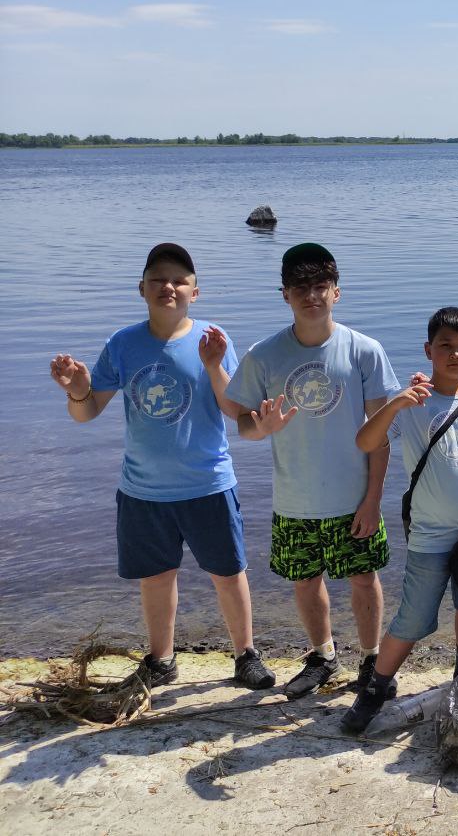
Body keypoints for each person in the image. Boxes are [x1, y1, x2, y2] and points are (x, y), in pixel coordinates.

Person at [48, 243, 274, 689]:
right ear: (142, 289)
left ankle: (246, 655)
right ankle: (161, 660)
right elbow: (87, 412)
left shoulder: (213, 338)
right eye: (158, 279)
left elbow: (234, 410)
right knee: (155, 578)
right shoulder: (122, 343)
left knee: (229, 573)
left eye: (179, 281)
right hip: (143, 489)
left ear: (195, 291)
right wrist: (76, 389)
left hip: (208, 483)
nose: (168, 287)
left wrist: (214, 365)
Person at [224, 243, 399, 700]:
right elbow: (243, 424)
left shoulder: (364, 350)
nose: (311, 295)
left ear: (336, 291)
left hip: (354, 496)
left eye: (321, 285)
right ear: (285, 294)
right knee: (305, 581)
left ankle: (371, 660)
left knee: (364, 578)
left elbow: (380, 434)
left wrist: (373, 499)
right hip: (294, 499)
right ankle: (323, 655)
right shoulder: (264, 355)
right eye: (300, 287)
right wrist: (261, 428)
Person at [341, 307, 458, 733]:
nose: (455, 354)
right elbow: (366, 442)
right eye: (444, 346)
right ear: (428, 350)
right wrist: (397, 402)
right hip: (429, 534)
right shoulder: (413, 402)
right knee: (413, 618)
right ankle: (375, 690)